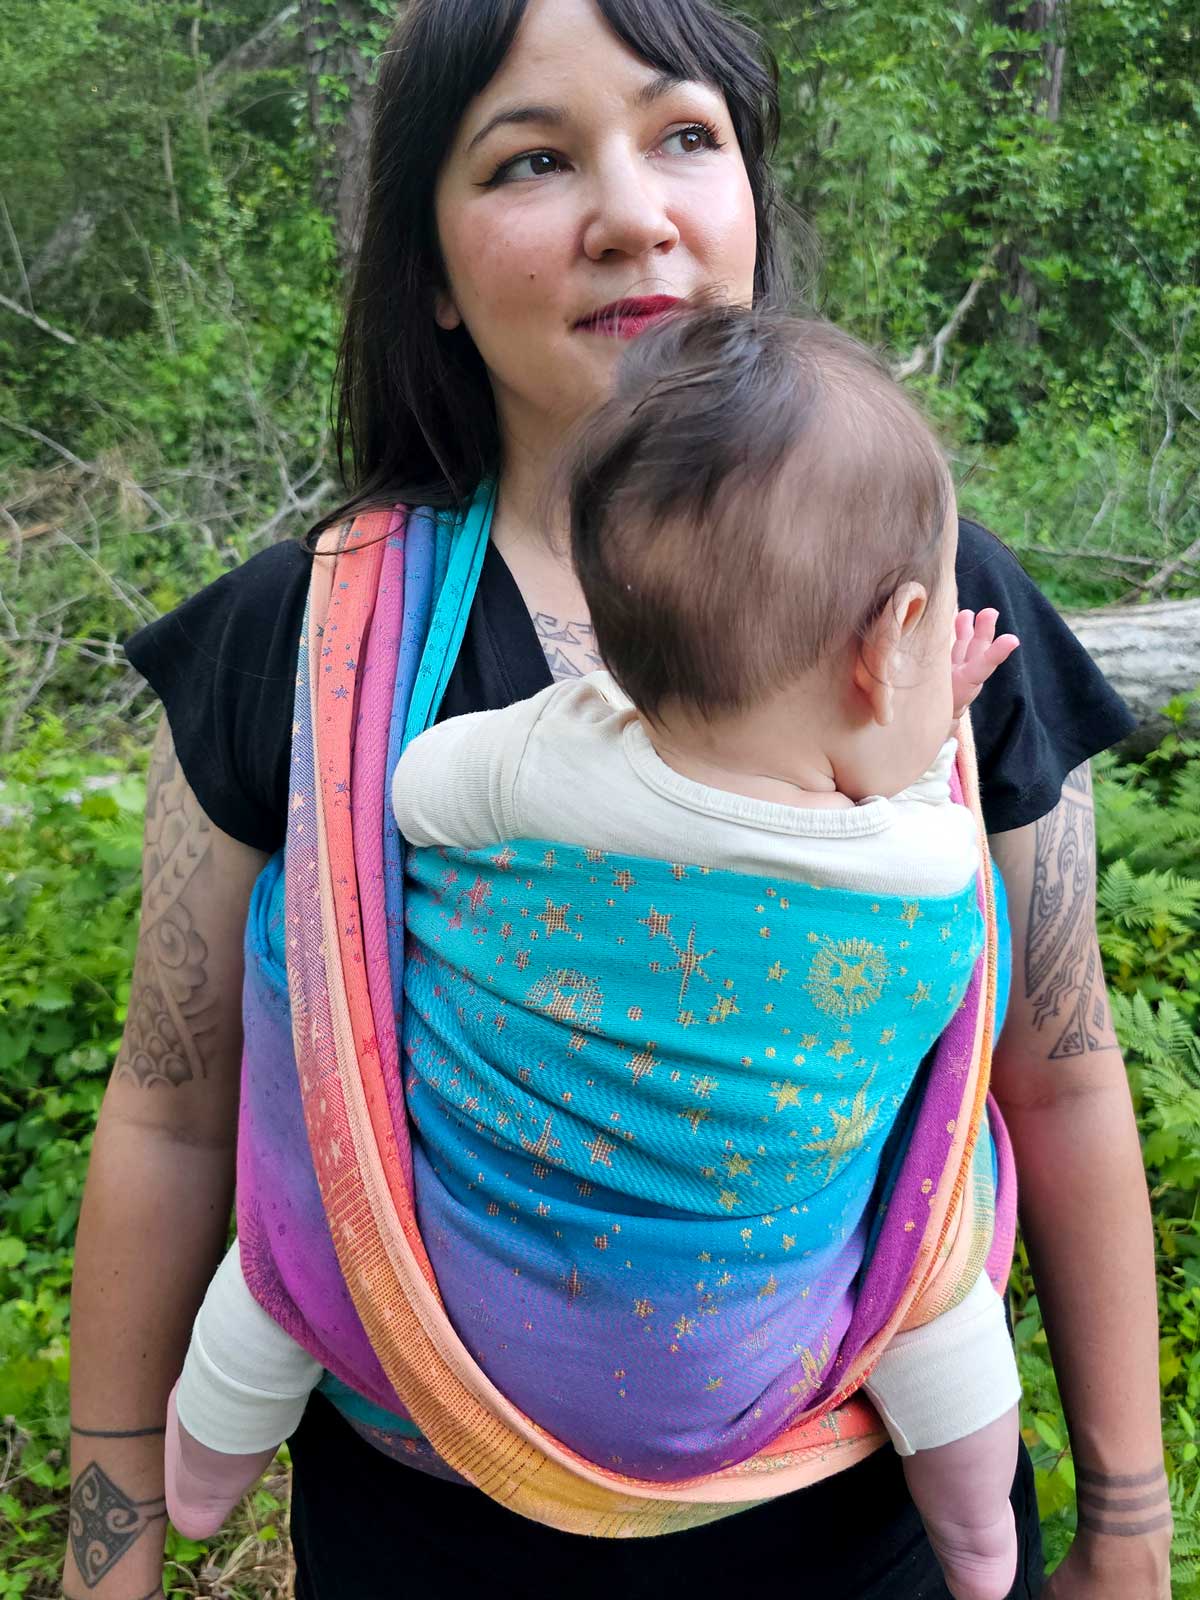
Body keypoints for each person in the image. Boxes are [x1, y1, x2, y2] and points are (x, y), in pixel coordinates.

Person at [64, 2, 1168, 1598]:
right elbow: (171, 1108)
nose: (632, 215)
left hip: (847, 1543)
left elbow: (1056, 1075)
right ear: (430, 275)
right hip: (421, 1547)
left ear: (747, 206)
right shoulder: (301, 643)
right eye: (532, 161)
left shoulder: (927, 605)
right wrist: (108, 1552)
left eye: (685, 139)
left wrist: (1128, 1526)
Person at [164, 307, 1027, 1600]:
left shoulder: (542, 751)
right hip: (752, 1367)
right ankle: (977, 1534)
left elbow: (409, 805)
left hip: (456, 1330)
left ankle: (199, 1469)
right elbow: (903, 827)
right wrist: (914, 736)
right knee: (931, 1261)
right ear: (891, 639)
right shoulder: (921, 874)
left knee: (293, 1230)